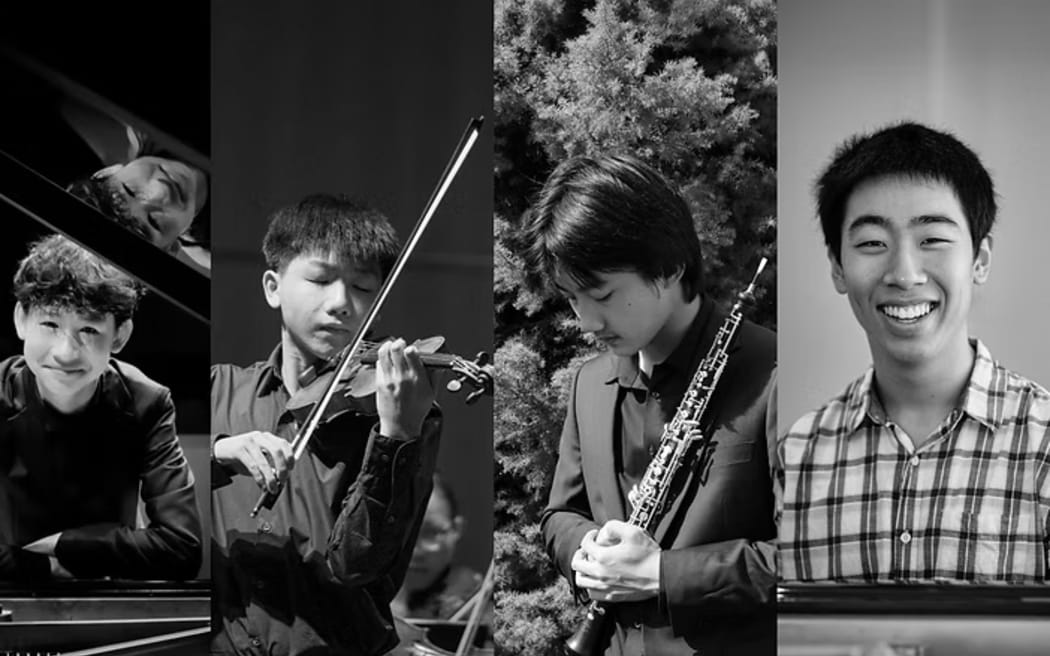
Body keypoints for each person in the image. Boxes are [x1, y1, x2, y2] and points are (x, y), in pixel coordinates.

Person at [525, 154, 777, 655]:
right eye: (571, 298)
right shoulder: (589, 383)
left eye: (602, 293)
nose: (587, 321)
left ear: (670, 266)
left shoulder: (776, 375)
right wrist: (588, 552)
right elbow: (560, 515)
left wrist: (663, 574)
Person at [778, 122, 1050, 583]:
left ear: (979, 260)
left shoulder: (1043, 443)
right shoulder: (798, 453)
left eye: (933, 240)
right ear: (837, 268)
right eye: (871, 244)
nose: (904, 274)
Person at [210, 193, 443, 655]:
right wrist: (218, 452)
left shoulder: (401, 407)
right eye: (320, 279)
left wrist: (396, 437)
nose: (341, 303)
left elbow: (358, 565)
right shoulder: (218, 389)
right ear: (273, 287)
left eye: (362, 288)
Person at [0, 235, 202, 581]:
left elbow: (182, 547)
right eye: (50, 324)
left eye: (89, 329)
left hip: (112, 597)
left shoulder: (147, 401)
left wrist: (68, 544)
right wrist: (43, 567)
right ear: (21, 319)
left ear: (120, 336)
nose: (65, 352)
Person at [391, 474, 485, 620]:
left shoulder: (479, 600)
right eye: (404, 533)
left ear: (456, 529)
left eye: (431, 532)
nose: (415, 551)